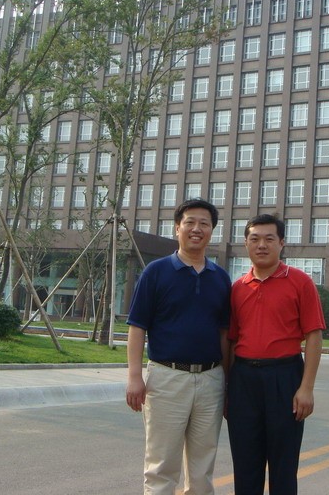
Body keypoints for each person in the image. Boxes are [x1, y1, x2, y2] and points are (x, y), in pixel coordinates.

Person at [125, 199, 232, 495]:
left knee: (202, 469)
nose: (197, 229)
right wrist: (134, 376)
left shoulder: (221, 278)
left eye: (204, 224)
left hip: (211, 380)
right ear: (177, 228)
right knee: (161, 466)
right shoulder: (156, 272)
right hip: (167, 378)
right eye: (190, 222)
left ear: (212, 230)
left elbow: (225, 334)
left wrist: (227, 382)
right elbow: (137, 327)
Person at [227, 214, 326, 495]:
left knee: (283, 465)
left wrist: (306, 388)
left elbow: (314, 336)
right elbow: (231, 341)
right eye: (255, 239)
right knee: (245, 464)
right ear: (245, 244)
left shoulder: (300, 282)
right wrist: (228, 388)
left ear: (281, 243)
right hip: (244, 380)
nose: (262, 245)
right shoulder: (238, 288)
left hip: (285, 378)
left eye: (269, 239)